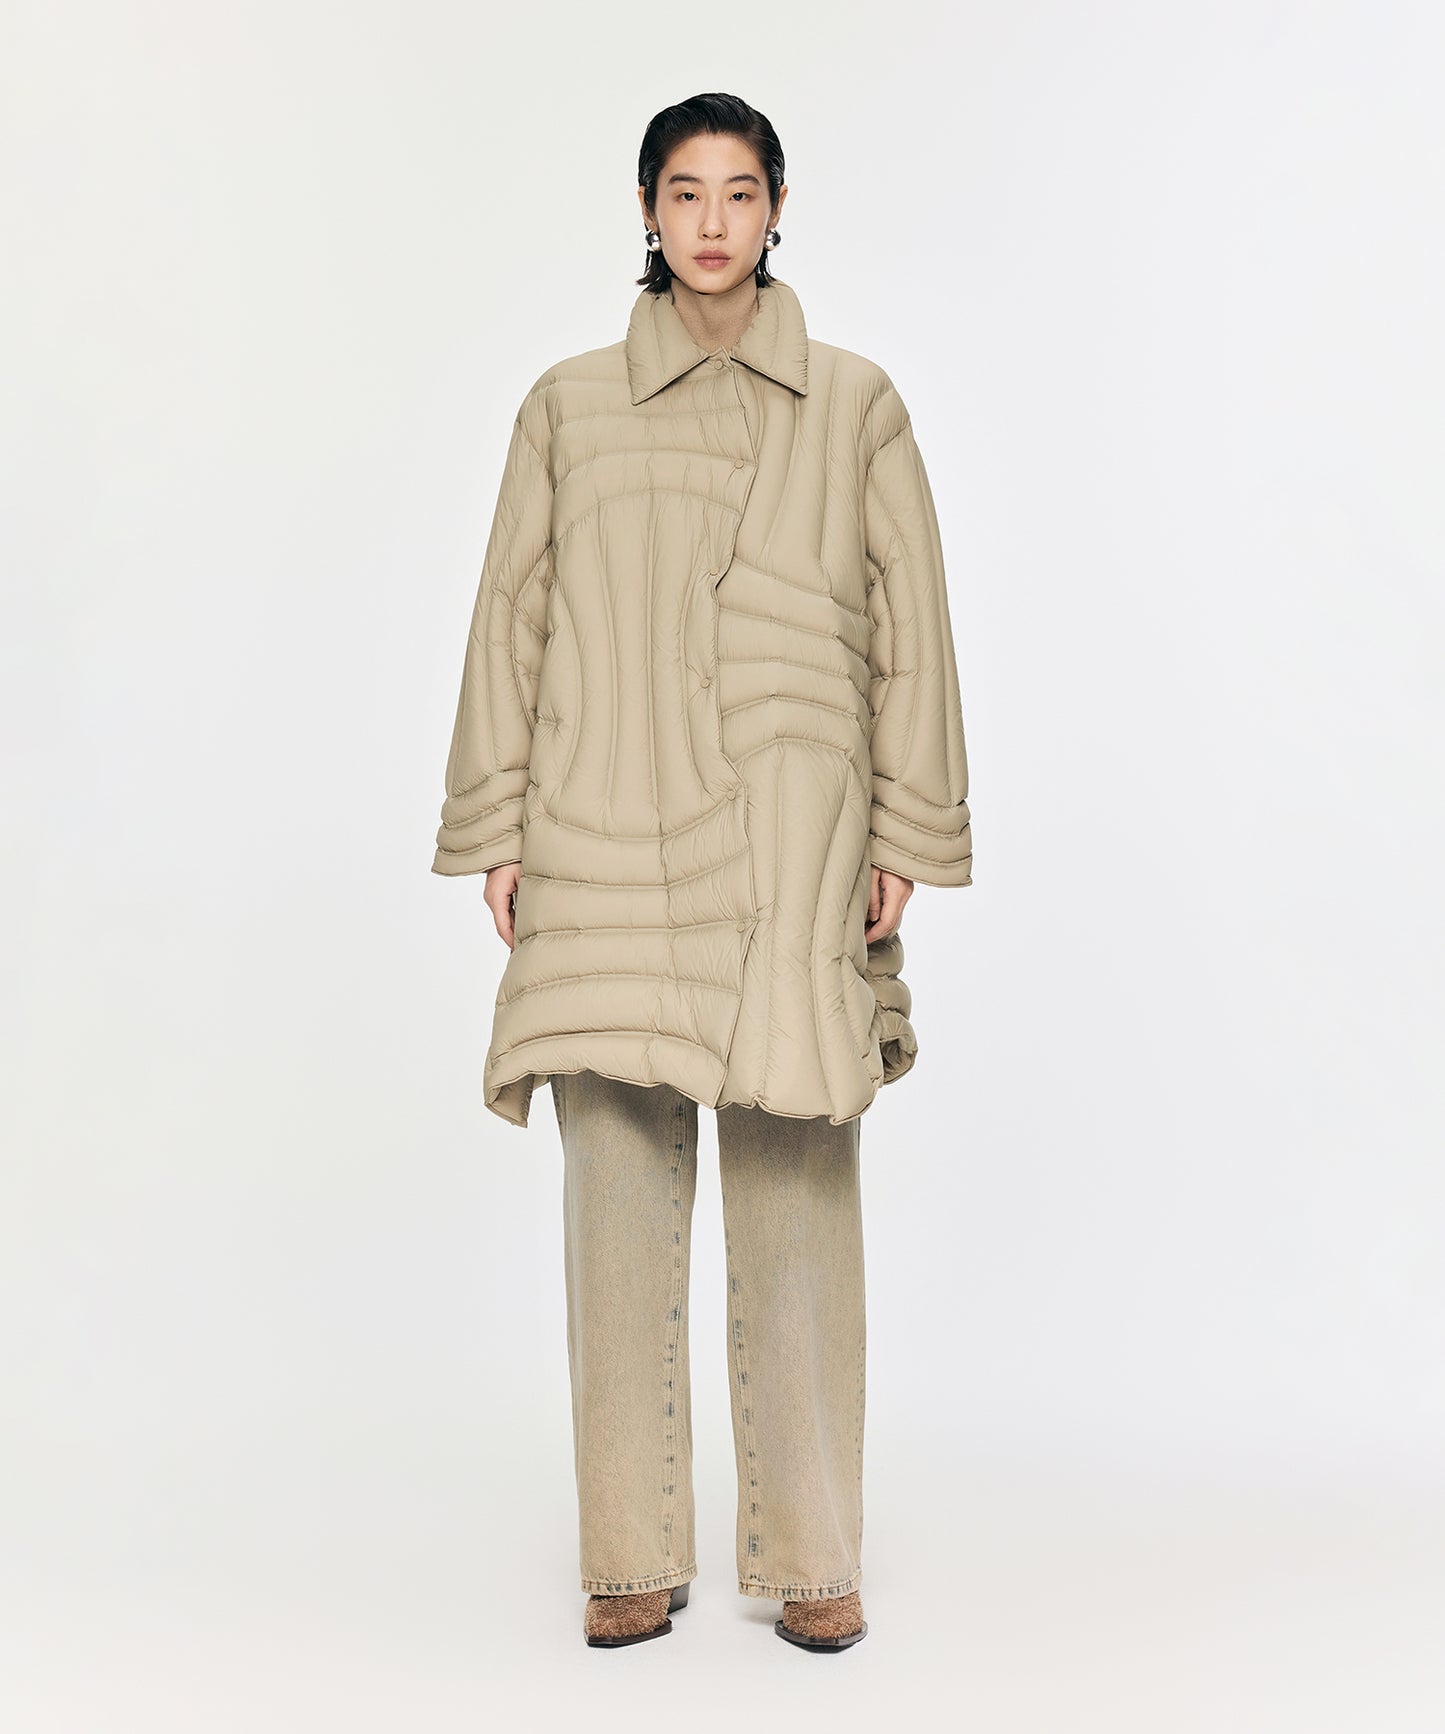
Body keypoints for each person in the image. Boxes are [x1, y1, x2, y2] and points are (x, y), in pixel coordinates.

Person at [430, 93, 973, 1650]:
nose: (714, 222)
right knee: (613, 1189)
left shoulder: (854, 404)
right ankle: (628, 1546)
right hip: (602, 821)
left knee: (797, 1184)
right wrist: (498, 823)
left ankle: (812, 1551)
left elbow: (914, 633)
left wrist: (905, 829)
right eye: (686, 193)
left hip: (792, 836)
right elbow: (510, 618)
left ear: (777, 206)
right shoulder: (567, 407)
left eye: (740, 192)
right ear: (649, 213)